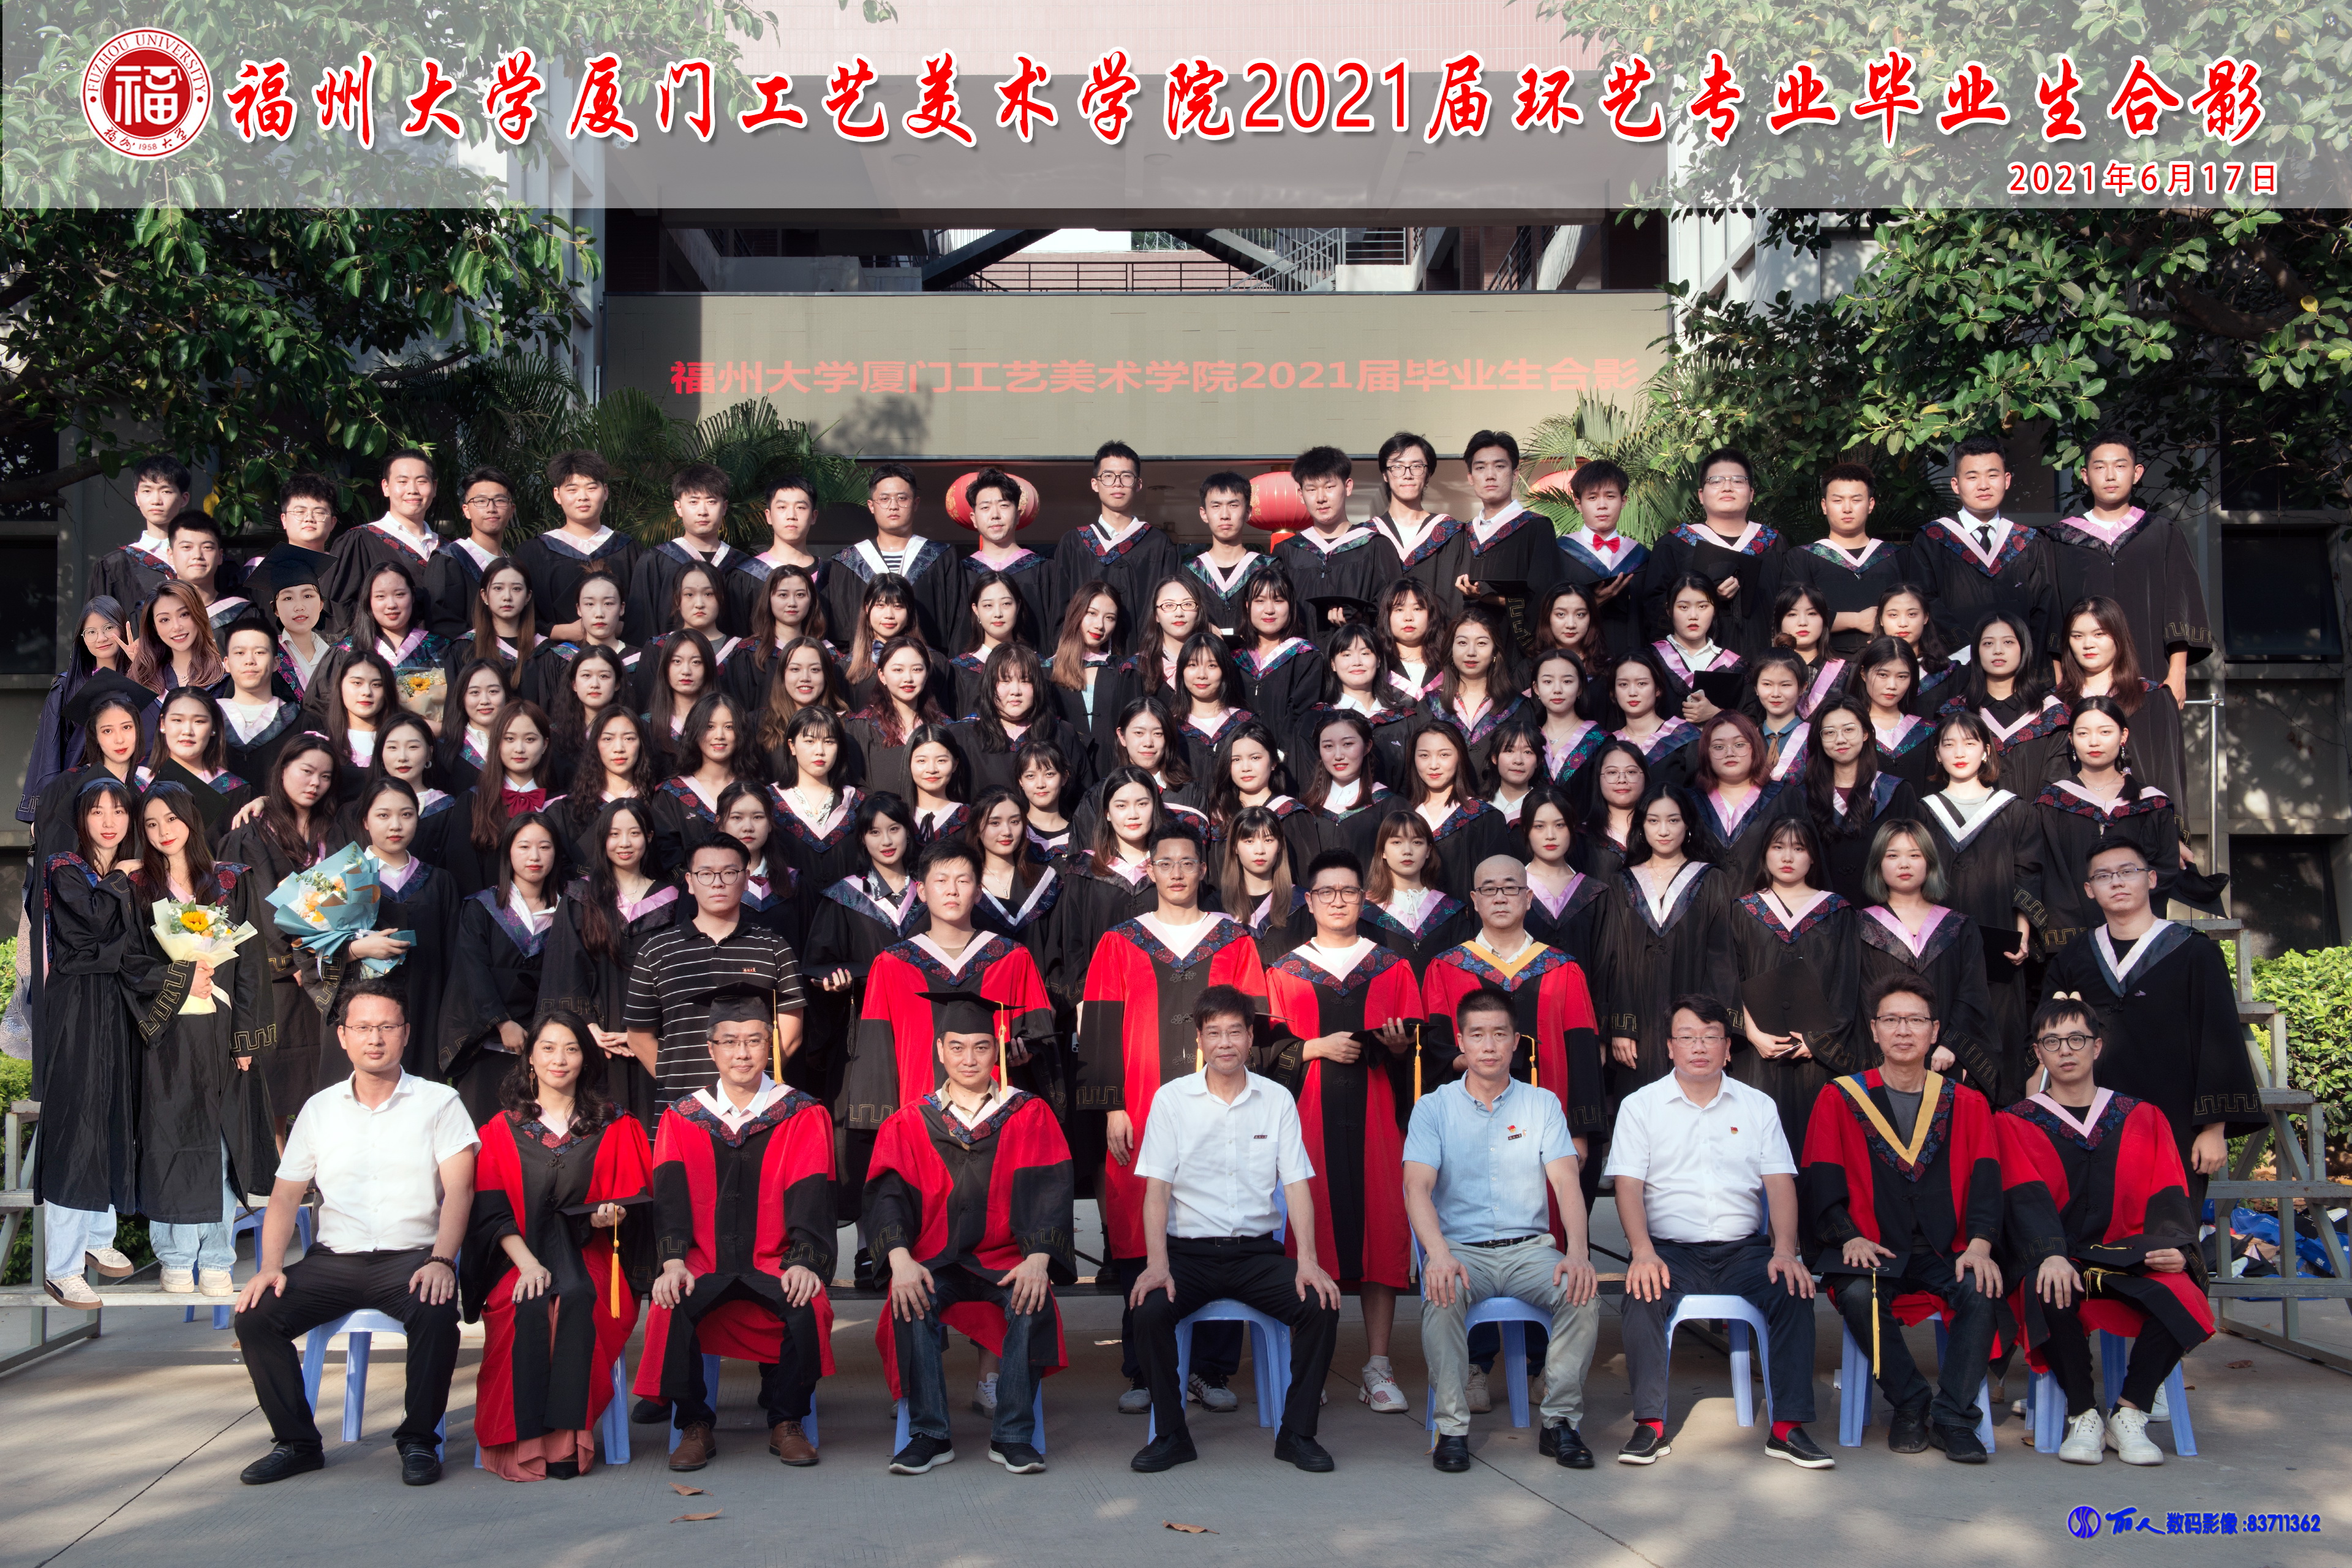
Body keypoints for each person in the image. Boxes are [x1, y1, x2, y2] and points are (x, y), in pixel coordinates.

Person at [230, 978, 478, 1487]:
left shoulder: (439, 1102)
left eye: (386, 1026)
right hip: (333, 1261)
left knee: (436, 1313)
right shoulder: (319, 1109)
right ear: (343, 1036)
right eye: (363, 1027)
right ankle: (297, 1443)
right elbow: (285, 1198)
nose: (375, 1038)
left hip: (412, 1258)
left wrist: (442, 1260)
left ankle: (419, 1440)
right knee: (256, 1315)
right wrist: (270, 1267)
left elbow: (461, 1190)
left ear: (405, 1033)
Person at [1078, 824, 1267, 1415]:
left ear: (1203, 870)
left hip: (1221, 1106)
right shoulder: (1121, 942)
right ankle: (1145, 1368)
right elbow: (1100, 1025)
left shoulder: (1234, 940)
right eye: (1167, 863)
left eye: (1188, 862)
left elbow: (1255, 1026)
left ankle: (1211, 1369)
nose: (1178, 873)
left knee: (1219, 1221)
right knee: (1141, 1227)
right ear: (1151, 871)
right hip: (1138, 1104)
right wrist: (1112, 1105)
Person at [1126, 984, 1343, 1474]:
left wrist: (1307, 1262)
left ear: (1250, 1038)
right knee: (1148, 1308)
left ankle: (1297, 1433)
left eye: (1235, 1032)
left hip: (1256, 1256)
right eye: (1214, 1033)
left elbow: (1297, 1186)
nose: (1225, 1043)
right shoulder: (1172, 1100)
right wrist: (1158, 1264)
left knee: (1320, 1304)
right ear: (1200, 1040)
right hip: (1188, 1255)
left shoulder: (1276, 1100)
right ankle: (1171, 1435)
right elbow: (1156, 1192)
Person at [1609, 994, 1830, 1469]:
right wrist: (1641, 1251)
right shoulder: (1641, 1107)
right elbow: (1628, 1186)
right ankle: (1649, 1425)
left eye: (1710, 1037)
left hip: (1744, 1252)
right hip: (1669, 1252)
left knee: (1793, 1288)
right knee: (1641, 1293)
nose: (1699, 1047)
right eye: (1687, 1037)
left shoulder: (1757, 1106)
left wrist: (1785, 1250)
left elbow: (1780, 1184)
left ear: (1728, 1049)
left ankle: (1788, 1428)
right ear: (1670, 1047)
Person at [865, 987, 1076, 1476]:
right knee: (909, 1297)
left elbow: (1052, 1189)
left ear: (996, 1049)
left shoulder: (1028, 1113)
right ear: (940, 1050)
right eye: (957, 1047)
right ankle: (929, 1434)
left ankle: (1013, 1436)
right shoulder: (910, 1121)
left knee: (1032, 1298)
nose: (969, 1058)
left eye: (981, 1047)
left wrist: (1039, 1258)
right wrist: (899, 1259)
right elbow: (887, 1195)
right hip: (935, 1262)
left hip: (1006, 1261)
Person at [1995, 998, 2215, 1466]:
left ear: (2097, 1046)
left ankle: (2130, 1411)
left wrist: (2176, 1248)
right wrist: (2049, 1253)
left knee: (2183, 1290)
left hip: (2130, 1254)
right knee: (2046, 1286)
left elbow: (2168, 1191)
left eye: (2077, 1039)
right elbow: (2023, 1196)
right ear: (2038, 1053)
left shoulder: (2142, 1116)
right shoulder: (2015, 1121)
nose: (2066, 1050)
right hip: (2063, 1255)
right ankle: (2083, 1414)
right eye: (2052, 1041)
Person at [1801, 974, 2005, 1461]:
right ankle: (1911, 1402)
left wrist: (1980, 1245)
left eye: (1915, 1020)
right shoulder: (1840, 1097)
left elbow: (1986, 1181)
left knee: (1981, 1290)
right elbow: (1820, 1177)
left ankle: (1954, 1417)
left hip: (1945, 1247)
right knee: (1856, 1295)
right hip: (1874, 1246)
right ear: (1874, 1030)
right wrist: (1847, 1236)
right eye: (1892, 1020)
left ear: (1934, 1031)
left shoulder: (1967, 1102)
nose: (1903, 1030)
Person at [634, 994, 838, 1471]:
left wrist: (804, 1259)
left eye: (754, 1041)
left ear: (770, 1047)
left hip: (776, 1256)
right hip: (703, 1258)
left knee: (808, 1302)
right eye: (730, 1042)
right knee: (670, 1302)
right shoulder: (683, 1116)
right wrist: (673, 1262)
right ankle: (693, 1424)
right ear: (711, 1049)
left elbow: (814, 1193)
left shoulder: (801, 1113)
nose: (742, 1053)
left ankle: (787, 1421)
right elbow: (670, 1199)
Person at [1407, 984, 1602, 1471]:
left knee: (1581, 1292)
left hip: (1529, 1251)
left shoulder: (1542, 1104)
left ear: (1517, 1042)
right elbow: (1417, 1188)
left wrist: (1578, 1253)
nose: (1489, 1046)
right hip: (1462, 1250)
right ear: (1461, 1042)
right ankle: (1452, 1429)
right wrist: (1438, 1254)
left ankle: (1560, 1422)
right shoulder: (1434, 1108)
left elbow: (1567, 1182)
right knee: (1442, 1292)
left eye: (1499, 1034)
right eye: (1477, 1035)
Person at [1261, 850, 1425, 1413]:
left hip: (1378, 1118)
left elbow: (1417, 1054)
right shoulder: (1285, 972)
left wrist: (1399, 1048)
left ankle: (1378, 1365)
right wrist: (1314, 1048)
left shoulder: (1391, 967)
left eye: (1348, 892)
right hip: (1307, 1122)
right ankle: (1307, 1363)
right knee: (1311, 1234)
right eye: (1326, 892)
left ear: (1363, 899)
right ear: (1309, 902)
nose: (1338, 901)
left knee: (1382, 1229)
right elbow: (1265, 1054)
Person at [463, 1010, 655, 1482]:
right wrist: (529, 1265)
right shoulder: (501, 1129)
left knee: (575, 1296)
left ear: (586, 1059)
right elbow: (491, 1212)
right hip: (518, 1255)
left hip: (591, 1254)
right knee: (527, 1301)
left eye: (571, 1049)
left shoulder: (614, 1124)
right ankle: (521, 1443)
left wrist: (614, 1216)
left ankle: (568, 1443)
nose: (559, 1059)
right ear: (530, 1058)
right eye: (547, 1048)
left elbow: (635, 1200)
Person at [2038, 840, 2264, 1210]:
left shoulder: (2194, 951)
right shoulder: (2074, 956)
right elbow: (2046, 1038)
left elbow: (2219, 1038)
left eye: (2128, 872)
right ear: (2089, 890)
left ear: (2152, 879)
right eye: (2104, 876)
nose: (2117, 882)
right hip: (2089, 1118)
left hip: (2174, 1120)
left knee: (2169, 1229)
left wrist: (2214, 1130)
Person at [129, 785, 279, 1297]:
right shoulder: (137, 887)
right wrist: (178, 980)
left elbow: (251, 965)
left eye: (171, 819)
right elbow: (131, 963)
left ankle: (216, 1259)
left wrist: (246, 1039)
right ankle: (174, 1257)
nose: (163, 831)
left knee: (220, 1144)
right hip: (165, 1034)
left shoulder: (229, 881)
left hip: (220, 1028)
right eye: (151, 824)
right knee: (168, 1141)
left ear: (191, 820)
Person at [34, 777, 149, 1308]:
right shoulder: (64, 867)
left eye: (119, 811)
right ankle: (61, 1267)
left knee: (109, 1116)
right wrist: (120, 885)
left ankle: (98, 1236)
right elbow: (89, 934)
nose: (109, 821)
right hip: (76, 1010)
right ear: (81, 818)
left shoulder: (125, 873)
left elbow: (131, 946)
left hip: (114, 1009)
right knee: (75, 1127)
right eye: (97, 811)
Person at [624, 833, 809, 1109]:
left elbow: (790, 1035)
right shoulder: (657, 951)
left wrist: (746, 1080)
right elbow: (639, 1036)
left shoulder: (773, 948)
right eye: (706, 874)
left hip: (756, 1107)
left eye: (729, 873)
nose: (718, 883)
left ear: (746, 879)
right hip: (681, 1109)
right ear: (690, 882)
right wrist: (676, 1083)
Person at [220, 736, 349, 1125]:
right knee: (277, 1088)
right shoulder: (250, 834)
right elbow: (251, 905)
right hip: (277, 977)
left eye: (325, 776)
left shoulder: (336, 830)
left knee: (329, 1086)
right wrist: (296, 960)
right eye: (306, 771)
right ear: (283, 770)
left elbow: (348, 895)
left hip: (330, 972)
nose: (315, 783)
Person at [1919, 712, 2045, 1101]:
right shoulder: (1921, 811)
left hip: (1998, 945)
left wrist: (2023, 934)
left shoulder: (2015, 811)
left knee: (1998, 1036)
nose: (1960, 752)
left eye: (1970, 743)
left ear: (1987, 751)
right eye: (1949, 744)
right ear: (1937, 754)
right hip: (1935, 947)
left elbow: (2028, 874)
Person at [539, 799, 679, 1130]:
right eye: (614, 834)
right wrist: (587, 1028)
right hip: (598, 1043)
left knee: (656, 1128)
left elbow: (677, 972)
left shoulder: (673, 900)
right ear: (602, 839)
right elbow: (565, 968)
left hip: (655, 1037)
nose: (624, 843)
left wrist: (647, 1033)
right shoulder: (580, 897)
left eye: (634, 833)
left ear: (649, 836)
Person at [2049, 431, 2211, 712]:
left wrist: (2177, 674)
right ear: (2085, 475)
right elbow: (2051, 614)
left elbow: (2180, 605)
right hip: (2079, 684)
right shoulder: (2058, 539)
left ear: (2137, 473)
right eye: (2100, 467)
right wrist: (2059, 680)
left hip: (2151, 674)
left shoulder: (2162, 533)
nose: (2110, 476)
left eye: (2120, 466)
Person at [1730, 816, 1860, 1154]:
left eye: (1799, 849)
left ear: (1813, 857)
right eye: (1778, 847)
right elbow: (1729, 977)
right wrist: (1751, 1032)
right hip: (1758, 1050)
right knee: (1760, 1144)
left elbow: (1847, 983)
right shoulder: (1743, 911)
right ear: (1765, 854)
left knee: (1816, 1145)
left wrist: (1817, 1042)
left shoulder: (1837, 911)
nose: (1787, 857)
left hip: (1818, 1055)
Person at [1598, 786, 1740, 1095]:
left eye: (1673, 820)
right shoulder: (1623, 883)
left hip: (1694, 1021)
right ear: (1642, 826)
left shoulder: (1711, 880)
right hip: (1639, 1022)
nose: (1664, 830)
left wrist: (1710, 1031)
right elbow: (1614, 959)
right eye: (1653, 821)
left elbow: (1721, 961)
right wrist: (1622, 1027)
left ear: (1688, 824)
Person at [1851, 818, 2002, 1095]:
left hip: (1944, 1060)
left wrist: (1952, 1045)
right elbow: (1856, 997)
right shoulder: (1859, 926)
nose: (1904, 864)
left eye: (1914, 855)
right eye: (1892, 856)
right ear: (1878, 865)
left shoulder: (1958, 927)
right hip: (1879, 1060)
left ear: (1930, 863)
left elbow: (1973, 993)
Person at [2032, 696, 2179, 954]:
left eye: (2105, 732)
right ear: (2071, 739)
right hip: (2072, 942)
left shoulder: (2152, 803)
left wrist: (2124, 909)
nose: (2094, 742)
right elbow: (2049, 874)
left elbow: (2164, 869)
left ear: (2123, 736)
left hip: (2138, 939)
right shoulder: (2051, 802)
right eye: (2083, 733)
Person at [440, 813, 561, 1123]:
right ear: (508, 851)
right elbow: (473, 970)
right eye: (524, 846)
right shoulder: (482, 907)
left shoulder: (568, 912)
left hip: (547, 1053)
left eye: (544, 847)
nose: (534, 857)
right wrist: (502, 1022)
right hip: (488, 1047)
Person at [1904, 434, 2061, 662]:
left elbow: (2044, 607)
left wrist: (2031, 660)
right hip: (1954, 663)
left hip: (2020, 667)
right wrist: (1965, 651)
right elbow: (1924, 601)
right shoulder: (1932, 539)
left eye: (1992, 475)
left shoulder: (2029, 541)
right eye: (1972, 477)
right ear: (1956, 485)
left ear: (2007, 480)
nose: (1984, 485)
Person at [1639, 448, 1786, 656]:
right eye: (1716, 481)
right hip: (1693, 665)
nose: (1727, 487)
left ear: (1752, 493)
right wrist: (1706, 598)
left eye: (1738, 481)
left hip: (1766, 666)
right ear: (1701, 495)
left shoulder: (1774, 544)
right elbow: (1654, 608)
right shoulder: (1673, 545)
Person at [2056, 594, 2189, 821]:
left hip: (2141, 825)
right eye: (2077, 636)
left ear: (2118, 637)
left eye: (2099, 634)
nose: (2088, 645)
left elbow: (2169, 774)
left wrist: (2172, 832)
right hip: (2070, 826)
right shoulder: (2053, 705)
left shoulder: (2154, 698)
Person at [1050, 441, 1176, 655]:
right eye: (1108, 476)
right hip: (1083, 663)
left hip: (1144, 662)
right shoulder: (1074, 543)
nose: (1117, 484)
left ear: (1138, 484)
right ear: (1095, 483)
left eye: (1126, 476)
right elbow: (1060, 610)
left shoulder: (1158, 544)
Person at [17, 597, 131, 826]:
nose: (101, 638)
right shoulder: (67, 686)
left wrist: (141, 669)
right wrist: (45, 812)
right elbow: (50, 751)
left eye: (109, 628)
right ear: (83, 639)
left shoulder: (144, 680)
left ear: (123, 628)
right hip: (81, 796)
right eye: (91, 632)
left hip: (132, 791)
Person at [823, 461, 960, 652]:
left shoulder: (941, 557)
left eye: (902, 498)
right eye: (885, 499)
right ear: (871, 506)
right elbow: (839, 632)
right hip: (863, 666)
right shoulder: (849, 561)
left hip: (928, 666)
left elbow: (957, 626)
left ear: (915, 504)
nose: (893, 506)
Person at [1779, 463, 1905, 658]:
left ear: (1871, 504)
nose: (1847, 509)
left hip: (1888, 661)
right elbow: (1791, 615)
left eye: (1856, 500)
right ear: (1824, 506)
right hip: (1824, 662)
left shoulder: (1897, 556)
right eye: (1838, 500)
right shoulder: (1802, 558)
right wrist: (1856, 620)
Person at [514, 450, 641, 644]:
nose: (583, 497)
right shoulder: (533, 553)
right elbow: (518, 614)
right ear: (557, 495)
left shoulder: (629, 550)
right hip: (553, 656)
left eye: (591, 488)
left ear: (605, 492)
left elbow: (645, 613)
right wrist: (558, 631)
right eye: (572, 490)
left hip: (619, 655)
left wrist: (621, 627)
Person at [1941, 611, 2071, 793]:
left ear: (2024, 648)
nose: (1998, 651)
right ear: (1976, 652)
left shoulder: (2053, 715)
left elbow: (2058, 785)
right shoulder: (1955, 713)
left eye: (2008, 642)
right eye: (1988, 643)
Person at [1274, 446, 1401, 625]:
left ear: (1348, 487)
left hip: (1358, 642)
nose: (1321, 498)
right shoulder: (1287, 551)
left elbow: (1394, 610)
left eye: (1329, 487)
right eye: (1311, 490)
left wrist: (1362, 620)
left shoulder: (1376, 546)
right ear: (1301, 495)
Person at [323, 449, 450, 629]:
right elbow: (339, 610)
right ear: (386, 487)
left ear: (434, 487)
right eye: (403, 482)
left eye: (421, 481)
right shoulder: (361, 541)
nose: (412, 490)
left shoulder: (449, 550)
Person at [627, 463, 748, 645]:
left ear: (724, 507)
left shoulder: (743, 567)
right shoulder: (655, 562)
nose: (703, 512)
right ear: (678, 507)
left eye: (711, 502)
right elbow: (640, 629)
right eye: (693, 502)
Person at [952, 467, 1057, 649]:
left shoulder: (1045, 571)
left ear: (1018, 515)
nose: (995, 515)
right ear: (974, 518)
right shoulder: (960, 573)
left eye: (1004, 506)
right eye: (985, 507)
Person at [1552, 459, 1648, 657]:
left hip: (1631, 659)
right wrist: (1590, 604)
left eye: (1610, 496)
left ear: (1623, 501)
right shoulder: (1558, 553)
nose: (1602, 506)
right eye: (1593, 497)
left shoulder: (1642, 557)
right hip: (1578, 658)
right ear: (1578, 503)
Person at [729, 474, 831, 635]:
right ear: (768, 516)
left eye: (801, 507)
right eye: (782, 507)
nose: (791, 516)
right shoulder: (746, 576)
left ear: (813, 516)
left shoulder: (830, 575)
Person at [91, 456, 190, 616]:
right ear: (137, 497)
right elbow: (98, 624)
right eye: (147, 491)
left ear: (184, 499)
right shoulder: (115, 565)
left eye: (166, 491)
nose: (156, 500)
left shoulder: (205, 559)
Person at [434, 466, 521, 631]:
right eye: (481, 501)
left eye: (500, 500)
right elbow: (443, 626)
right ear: (466, 511)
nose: (491, 509)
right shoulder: (449, 560)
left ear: (512, 510)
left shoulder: (515, 565)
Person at [218, 621, 303, 786]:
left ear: (276, 663)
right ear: (227, 663)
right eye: (240, 653)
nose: (249, 661)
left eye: (259, 652)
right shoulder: (207, 718)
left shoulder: (301, 721)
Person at [1184, 470, 1268, 634]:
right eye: (1216, 506)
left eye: (1233, 505)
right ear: (1204, 514)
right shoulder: (1188, 572)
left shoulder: (1267, 568)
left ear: (1248, 512)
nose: (1225, 515)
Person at [168, 511, 254, 639]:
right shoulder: (151, 614)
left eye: (207, 547)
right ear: (170, 555)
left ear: (220, 556)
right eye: (187, 547)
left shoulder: (242, 614)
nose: (197, 555)